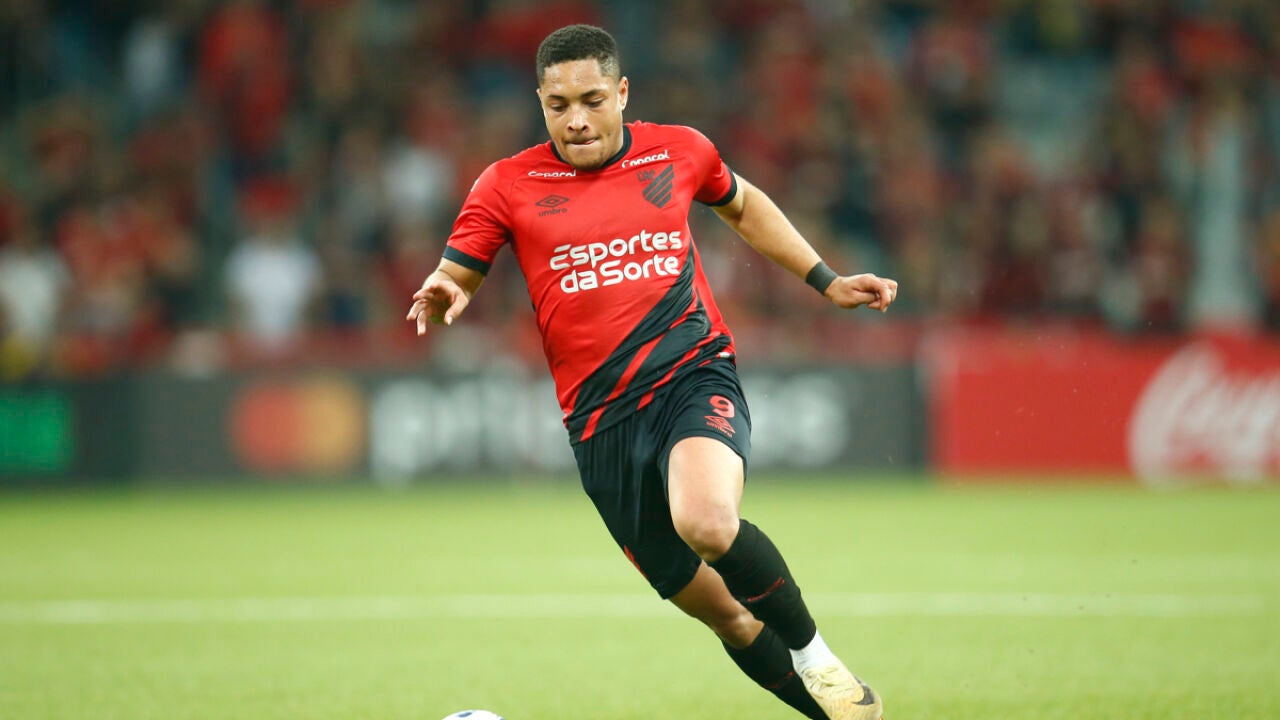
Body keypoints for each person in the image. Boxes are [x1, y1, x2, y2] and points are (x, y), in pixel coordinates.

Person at [406, 24, 896, 720]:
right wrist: (446, 287)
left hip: (691, 374)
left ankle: (817, 655)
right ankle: (849, 716)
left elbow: (743, 205)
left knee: (708, 522)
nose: (576, 119)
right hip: (600, 426)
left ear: (622, 93)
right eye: (558, 105)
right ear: (540, 102)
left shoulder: (680, 150)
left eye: (592, 100)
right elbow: (459, 268)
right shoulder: (507, 184)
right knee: (729, 616)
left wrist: (826, 279)